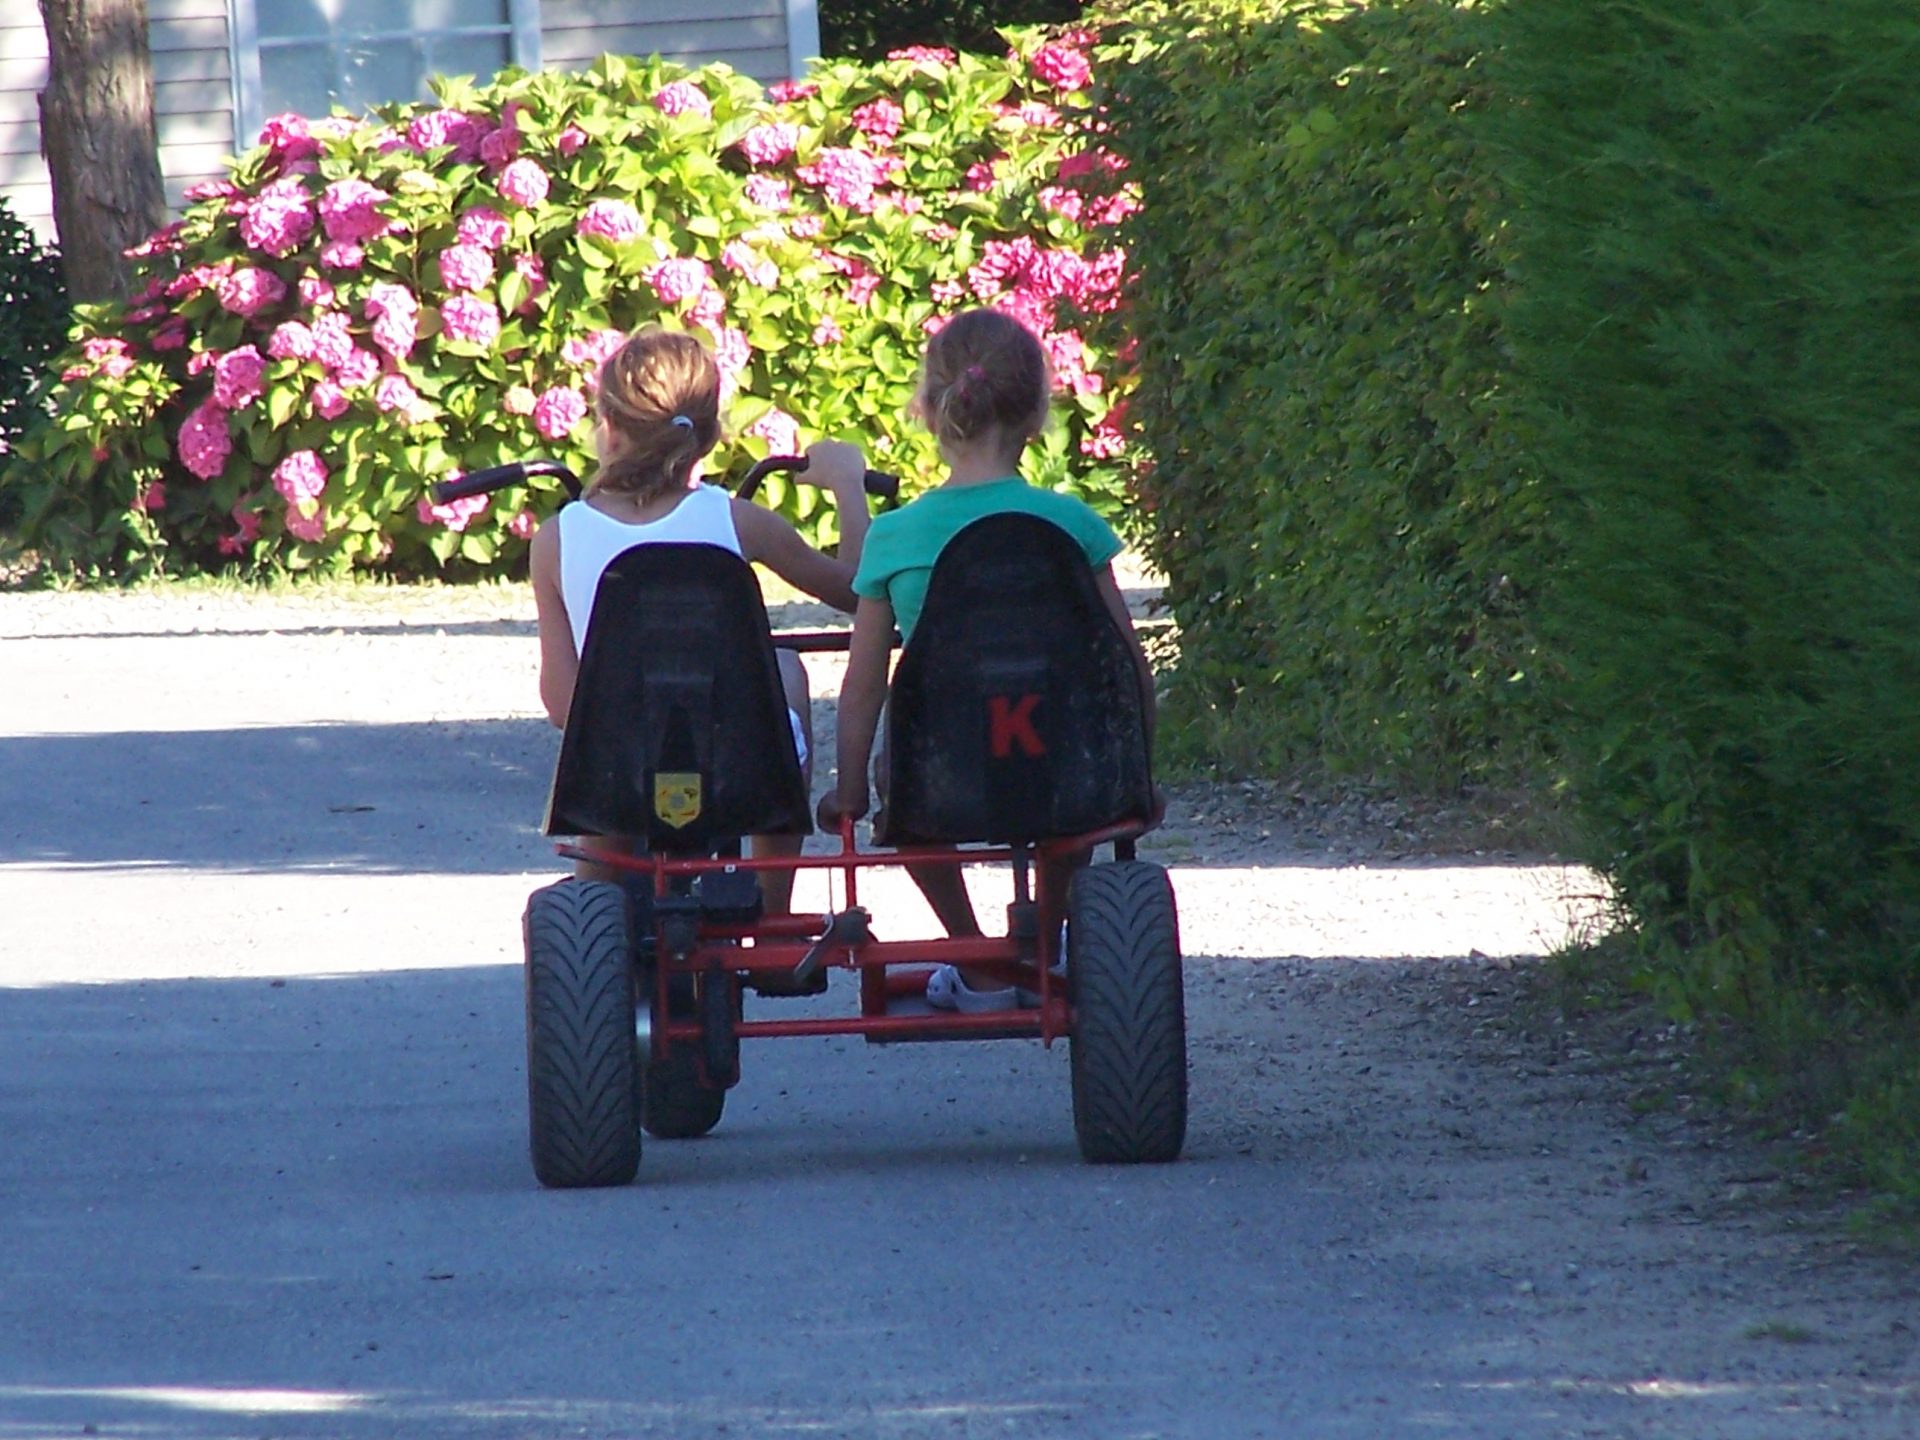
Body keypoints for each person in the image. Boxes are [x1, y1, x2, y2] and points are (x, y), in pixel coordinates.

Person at [818, 308, 1156, 1013]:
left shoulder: (894, 536)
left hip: (944, 769)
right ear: (1036, 414)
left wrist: (849, 792)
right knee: (1077, 812)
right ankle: (1048, 932)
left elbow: (863, 689)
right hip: (1068, 760)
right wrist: (1139, 775)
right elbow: (1125, 664)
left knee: (897, 797)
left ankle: (975, 954)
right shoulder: (1074, 524)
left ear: (930, 411)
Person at [529, 325, 870, 911]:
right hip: (740, 758)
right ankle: (771, 900)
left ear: (606, 427)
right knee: (784, 668)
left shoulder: (557, 539)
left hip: (617, 769)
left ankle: (594, 899)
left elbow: (564, 705)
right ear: (709, 436)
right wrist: (847, 486)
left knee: (601, 728)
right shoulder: (740, 522)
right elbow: (858, 592)